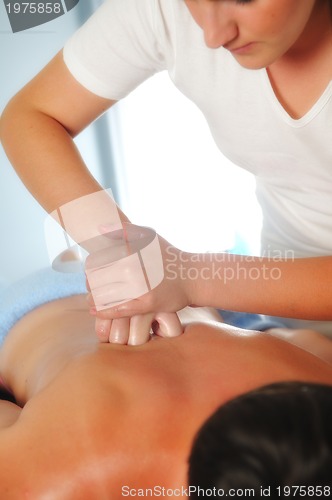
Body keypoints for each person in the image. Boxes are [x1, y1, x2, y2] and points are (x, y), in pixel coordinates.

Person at [1, 0, 332, 343]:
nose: (213, 36)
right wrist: (123, 253)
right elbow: (32, 116)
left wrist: (191, 276)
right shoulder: (164, 7)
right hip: (284, 322)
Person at [0, 269, 332, 498]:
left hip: (184, 298)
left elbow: (306, 340)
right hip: (40, 307)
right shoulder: (53, 482)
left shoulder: (318, 393)